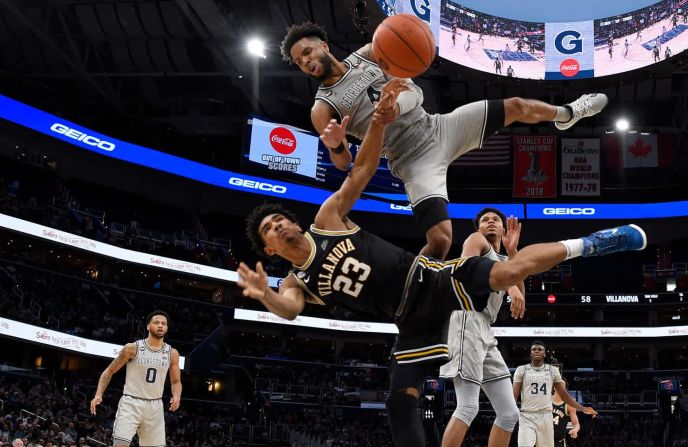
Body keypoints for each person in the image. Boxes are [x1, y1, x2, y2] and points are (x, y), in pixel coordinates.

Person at [237, 79, 646, 447]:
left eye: (280, 219)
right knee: (400, 404)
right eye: (270, 230)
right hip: (409, 323)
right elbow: (289, 310)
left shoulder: (326, 220)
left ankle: (592, 243)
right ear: (269, 249)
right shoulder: (295, 281)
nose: (280, 226)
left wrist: (378, 121)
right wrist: (266, 297)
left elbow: (361, 170)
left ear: (292, 220)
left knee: (506, 271)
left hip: (427, 280)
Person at [280, 22, 609, 261]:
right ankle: (414, 291)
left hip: (437, 127)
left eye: (307, 51)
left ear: (323, 44)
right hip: (410, 159)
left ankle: (567, 113)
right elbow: (342, 164)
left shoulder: (370, 53)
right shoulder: (321, 109)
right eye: (299, 61)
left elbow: (413, 90)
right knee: (440, 240)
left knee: (517, 106)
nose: (306, 62)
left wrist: (394, 107)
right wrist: (337, 144)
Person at [439, 208, 524, 447]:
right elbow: (467, 269)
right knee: (467, 406)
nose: (490, 222)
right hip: (466, 318)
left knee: (509, 414)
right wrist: (509, 284)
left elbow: (521, 297)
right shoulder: (476, 241)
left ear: (504, 229)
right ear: (478, 228)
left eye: (496, 219)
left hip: (486, 328)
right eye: (485, 220)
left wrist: (513, 253)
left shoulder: (505, 260)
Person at [90, 311, 182, 447]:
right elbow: (109, 371)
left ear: (167, 328)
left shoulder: (172, 353)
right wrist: (98, 394)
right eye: (156, 323)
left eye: (164, 323)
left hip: (155, 406)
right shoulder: (132, 348)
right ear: (148, 327)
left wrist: (176, 395)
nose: (160, 326)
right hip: (131, 402)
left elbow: (176, 382)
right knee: (120, 445)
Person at [514, 342, 597, 447]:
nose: (536, 351)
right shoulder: (523, 371)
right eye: (534, 349)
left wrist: (583, 410)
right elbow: (516, 396)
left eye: (539, 349)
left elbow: (567, 402)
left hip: (552, 429)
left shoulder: (554, 373)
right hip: (530, 418)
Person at [553, 379, 580, 447]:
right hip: (544, 440)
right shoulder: (545, 400)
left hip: (559, 441)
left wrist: (576, 429)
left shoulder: (569, 404)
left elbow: (575, 422)